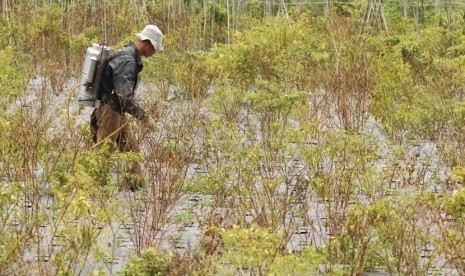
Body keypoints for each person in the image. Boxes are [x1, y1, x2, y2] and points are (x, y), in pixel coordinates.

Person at [90, 24, 163, 191]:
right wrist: (144, 117)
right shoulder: (128, 60)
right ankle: (92, 189)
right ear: (147, 43)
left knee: (131, 150)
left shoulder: (128, 55)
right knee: (104, 153)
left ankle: (135, 186)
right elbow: (124, 97)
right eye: (154, 49)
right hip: (110, 111)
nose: (154, 53)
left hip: (116, 110)